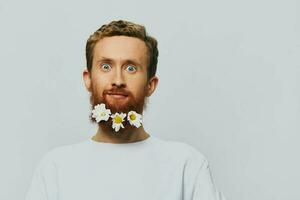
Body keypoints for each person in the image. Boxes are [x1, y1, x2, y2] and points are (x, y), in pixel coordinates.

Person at [25, 20, 226, 200]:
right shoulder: (55, 168)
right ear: (88, 79)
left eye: (130, 68)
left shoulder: (187, 165)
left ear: (150, 84)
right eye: (106, 66)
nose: (118, 81)